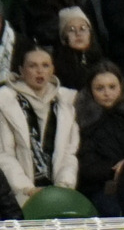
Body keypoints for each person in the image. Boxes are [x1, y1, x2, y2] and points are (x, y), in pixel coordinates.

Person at [0, 47, 80, 205]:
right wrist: (26, 188)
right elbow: (3, 154)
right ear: (21, 70)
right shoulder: (4, 101)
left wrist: (64, 186)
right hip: (17, 193)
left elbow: (69, 152)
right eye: (32, 66)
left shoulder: (66, 102)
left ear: (52, 70)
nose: (39, 71)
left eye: (45, 65)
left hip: (58, 192)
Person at [75, 64, 124, 204]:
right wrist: (117, 168)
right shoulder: (84, 124)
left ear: (121, 87)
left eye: (112, 87)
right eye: (100, 88)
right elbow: (87, 167)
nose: (107, 93)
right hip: (102, 189)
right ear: (90, 91)